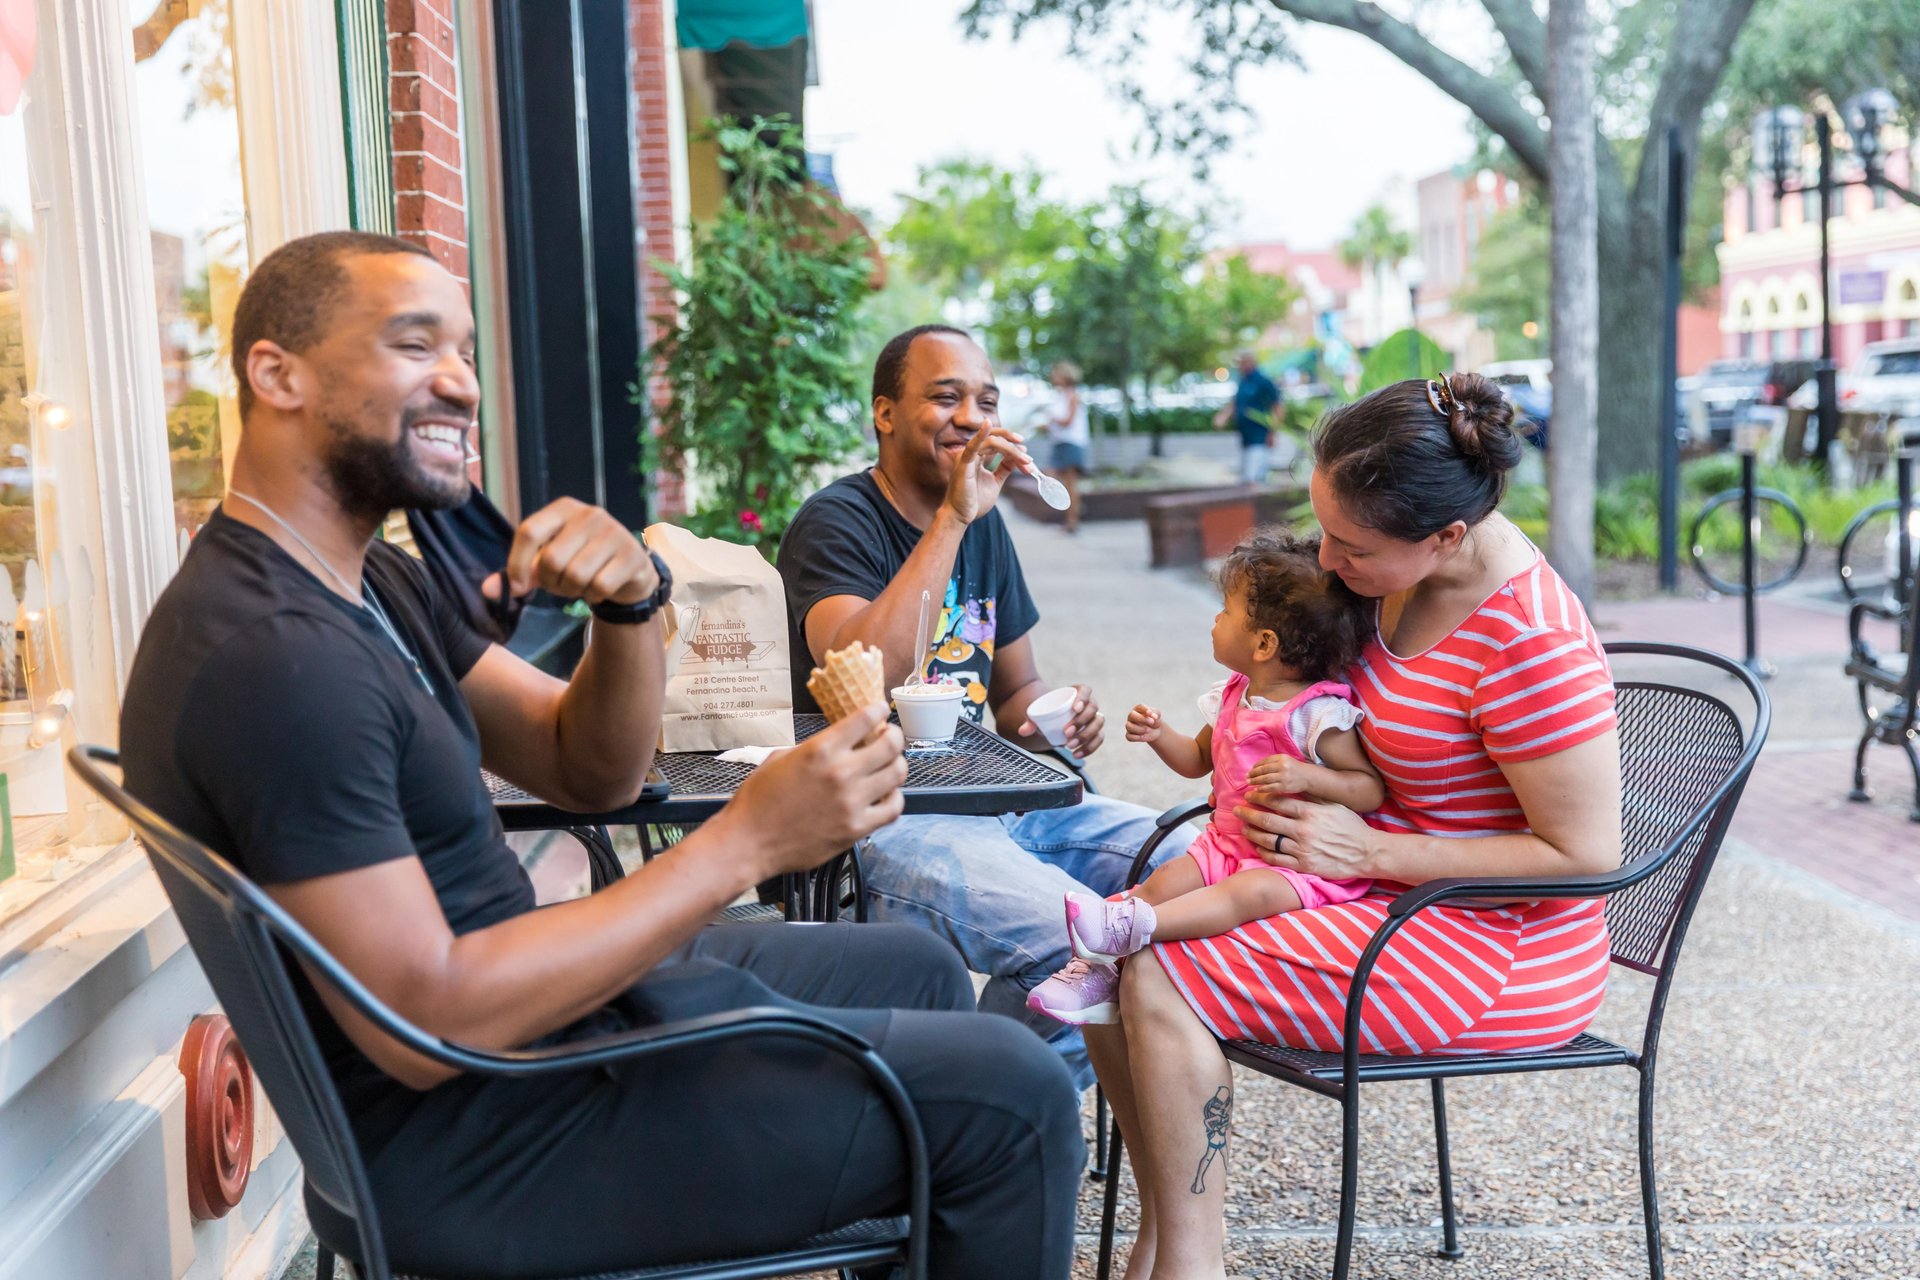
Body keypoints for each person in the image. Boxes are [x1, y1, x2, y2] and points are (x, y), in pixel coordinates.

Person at [117, 233, 1083, 1280]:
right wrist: (748, 840)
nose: (460, 381)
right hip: (492, 1137)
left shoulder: (366, 585)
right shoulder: (273, 658)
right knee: (1013, 1096)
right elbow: (423, 1016)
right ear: (277, 373)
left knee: (923, 968)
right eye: (414, 344)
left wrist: (632, 609)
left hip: (541, 1038)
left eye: (466, 350)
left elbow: (591, 771)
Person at [1089, 372, 1623, 1279]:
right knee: (1113, 950)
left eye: (1350, 547)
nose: (1326, 561)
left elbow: (1585, 854)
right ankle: (1168, 1235)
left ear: (1448, 537)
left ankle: (1187, 1261)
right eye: (1324, 528)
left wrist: (1373, 847)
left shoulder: (1529, 643)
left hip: (1494, 944)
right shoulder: (1386, 576)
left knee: (1160, 961)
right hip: (1365, 894)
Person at [777, 323, 1194, 1092]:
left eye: (986, 399)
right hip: (884, 817)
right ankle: (978, 1126)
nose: (971, 416)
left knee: (1193, 865)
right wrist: (953, 520)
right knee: (1080, 939)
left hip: (1003, 801)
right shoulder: (836, 523)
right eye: (945, 397)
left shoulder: (987, 524)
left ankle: (969, 1103)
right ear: (884, 413)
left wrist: (1059, 714)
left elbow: (1012, 698)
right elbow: (861, 676)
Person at [1025, 529, 1383, 1025]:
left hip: (1293, 867)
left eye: (1226, 611)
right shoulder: (1232, 695)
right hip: (1226, 846)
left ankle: (1136, 926)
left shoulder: (1314, 714)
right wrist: (1159, 734)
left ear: (1264, 643)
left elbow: (1367, 788)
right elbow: (1196, 760)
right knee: (1166, 877)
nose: (1216, 619)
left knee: (1245, 896)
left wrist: (1308, 776)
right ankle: (1095, 968)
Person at [1213, 350, 1280, 486]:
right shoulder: (1242, 381)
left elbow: (1277, 407)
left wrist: (1273, 431)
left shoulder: (1263, 381)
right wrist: (1223, 417)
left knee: (1252, 477)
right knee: (1248, 476)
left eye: (1242, 362)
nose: (1239, 366)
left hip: (1260, 436)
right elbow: (1235, 403)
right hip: (1246, 436)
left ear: (1251, 362)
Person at [1039, 359, 1090, 533]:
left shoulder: (1073, 395)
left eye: (1056, 373)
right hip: (1061, 443)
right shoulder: (1061, 396)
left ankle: (1072, 521)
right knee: (1058, 479)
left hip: (1071, 443)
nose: (1053, 377)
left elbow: (1068, 421)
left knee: (1069, 484)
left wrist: (1051, 420)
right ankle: (1072, 516)